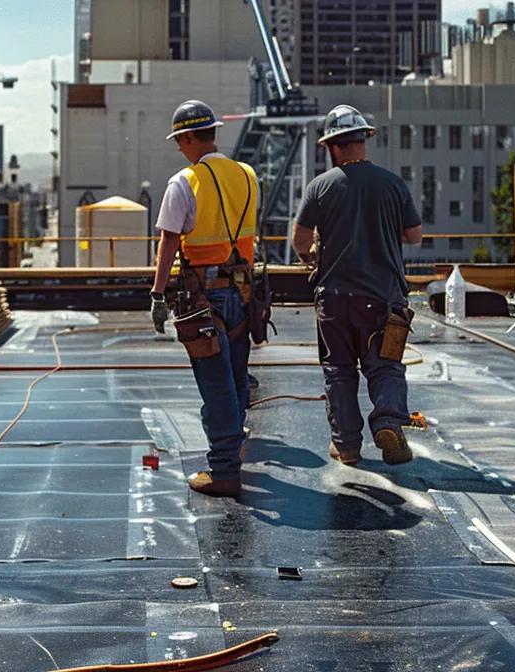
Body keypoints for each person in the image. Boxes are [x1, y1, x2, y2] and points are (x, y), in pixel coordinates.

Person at [290, 105, 423, 467]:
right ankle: (388, 421)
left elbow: (300, 240)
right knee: (386, 367)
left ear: (333, 146)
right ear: (364, 139)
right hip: (383, 298)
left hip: (334, 300)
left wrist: (312, 256)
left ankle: (346, 445)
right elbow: (415, 236)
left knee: (339, 370)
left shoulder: (321, 186)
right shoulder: (393, 184)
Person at [149, 100, 260, 498]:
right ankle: (233, 446)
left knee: (216, 384)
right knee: (236, 378)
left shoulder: (184, 182)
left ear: (192, 137)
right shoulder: (247, 175)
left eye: (180, 140)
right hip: (243, 294)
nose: (179, 147)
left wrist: (158, 295)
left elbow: (168, 243)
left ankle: (225, 471)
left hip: (203, 299)